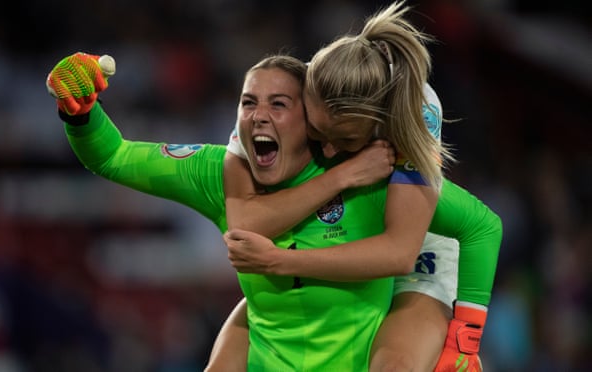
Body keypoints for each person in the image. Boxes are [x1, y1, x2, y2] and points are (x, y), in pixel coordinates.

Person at [47, 51, 499, 370]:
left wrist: (466, 332)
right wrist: (80, 112)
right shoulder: (216, 173)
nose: (258, 116)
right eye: (248, 103)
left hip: (394, 305)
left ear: (313, 120)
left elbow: (479, 226)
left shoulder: (374, 168)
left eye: (279, 105)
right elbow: (112, 156)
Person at [211, 2, 501, 371]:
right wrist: (341, 175)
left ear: (379, 122)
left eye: (344, 139)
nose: (328, 150)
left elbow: (400, 252)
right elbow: (245, 222)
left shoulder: (415, 112)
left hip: (411, 261)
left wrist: (466, 338)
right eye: (317, 134)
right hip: (331, 238)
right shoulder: (288, 90)